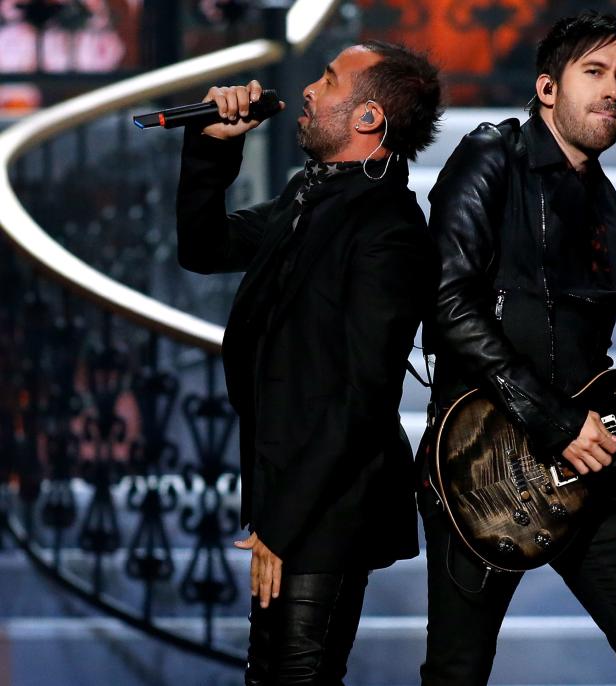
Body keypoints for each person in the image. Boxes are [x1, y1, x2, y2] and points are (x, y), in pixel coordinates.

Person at [417, 11, 616, 685]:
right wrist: (554, 422)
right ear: (547, 88)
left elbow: (595, 376)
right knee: (456, 673)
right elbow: (445, 303)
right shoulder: (492, 156)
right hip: (480, 465)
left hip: (587, 472)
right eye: (594, 73)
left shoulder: (609, 211)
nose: (613, 91)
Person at [175, 41, 442, 685]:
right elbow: (204, 246)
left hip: (329, 500)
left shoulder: (389, 229)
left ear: (368, 118)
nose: (308, 91)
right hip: (288, 488)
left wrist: (281, 524)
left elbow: (362, 395)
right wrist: (213, 146)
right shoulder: (310, 195)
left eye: (327, 81)